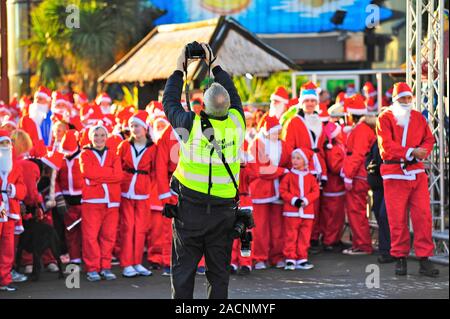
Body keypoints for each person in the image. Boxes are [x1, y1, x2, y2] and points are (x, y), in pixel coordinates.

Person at [162, 42, 245, 299]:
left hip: (191, 212)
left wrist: (179, 69)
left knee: (184, 272)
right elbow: (234, 94)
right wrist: (215, 63)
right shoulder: (237, 124)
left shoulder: (190, 125)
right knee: (219, 275)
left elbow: (169, 102)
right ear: (228, 107)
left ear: (204, 107)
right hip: (223, 213)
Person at [376, 82, 439, 277]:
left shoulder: (418, 118)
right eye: (402, 98)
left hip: (416, 174)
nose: (406, 101)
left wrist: (423, 152)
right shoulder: (385, 118)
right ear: (395, 100)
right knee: (397, 219)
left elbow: (429, 139)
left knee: (423, 217)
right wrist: (412, 152)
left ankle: (424, 259)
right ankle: (400, 258)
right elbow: (386, 147)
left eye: (408, 98)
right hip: (394, 174)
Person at [79, 120, 123, 282]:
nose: (99, 138)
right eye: (95, 135)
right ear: (90, 137)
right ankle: (92, 268)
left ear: (107, 137)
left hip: (111, 201)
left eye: (102, 135)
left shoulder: (113, 154)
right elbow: (88, 172)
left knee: (109, 236)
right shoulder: (85, 154)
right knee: (90, 236)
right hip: (92, 201)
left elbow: (119, 175)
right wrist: (108, 174)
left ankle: (105, 267)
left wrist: (99, 177)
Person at [117, 110, 156, 278]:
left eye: (137, 126)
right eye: (132, 126)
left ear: (145, 128)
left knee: (140, 228)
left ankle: (137, 262)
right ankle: (126, 264)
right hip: (126, 192)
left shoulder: (153, 148)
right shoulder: (124, 145)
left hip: (143, 193)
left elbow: (155, 171)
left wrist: (148, 186)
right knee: (127, 228)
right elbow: (117, 166)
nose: (134, 129)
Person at [248, 116, 290, 270]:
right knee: (260, 227)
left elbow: (290, 161)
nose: (276, 134)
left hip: (279, 191)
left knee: (278, 226)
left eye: (278, 131)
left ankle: (277, 256)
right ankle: (259, 257)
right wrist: (282, 171)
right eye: (274, 132)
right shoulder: (256, 144)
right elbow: (260, 170)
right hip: (261, 191)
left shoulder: (282, 144)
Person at [341, 94, 376, 255]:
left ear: (350, 114)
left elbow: (357, 154)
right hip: (358, 174)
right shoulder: (362, 129)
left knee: (357, 212)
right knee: (356, 212)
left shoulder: (361, 130)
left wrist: (348, 174)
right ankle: (359, 244)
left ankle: (362, 245)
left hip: (358, 176)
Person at [279, 148, 320, 270]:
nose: (294, 161)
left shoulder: (311, 177)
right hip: (291, 212)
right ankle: (290, 258)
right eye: (293, 158)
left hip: (307, 213)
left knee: (305, 236)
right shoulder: (288, 176)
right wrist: (294, 200)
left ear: (305, 161)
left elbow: (316, 192)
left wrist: (306, 200)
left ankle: (302, 258)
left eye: (298, 158)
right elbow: (283, 191)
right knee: (290, 236)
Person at [0, 130, 27, 292]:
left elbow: (23, 187)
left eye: (7, 143)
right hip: (1, 208)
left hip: (10, 210)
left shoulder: (16, 165)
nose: (5, 146)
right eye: (1, 143)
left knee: (8, 245)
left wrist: (15, 189)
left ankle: (5, 279)